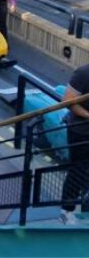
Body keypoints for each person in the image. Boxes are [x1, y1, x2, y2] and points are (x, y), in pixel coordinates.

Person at [60, 62, 89, 224]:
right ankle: (67, 209)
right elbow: (68, 101)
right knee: (77, 170)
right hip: (81, 131)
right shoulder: (84, 72)